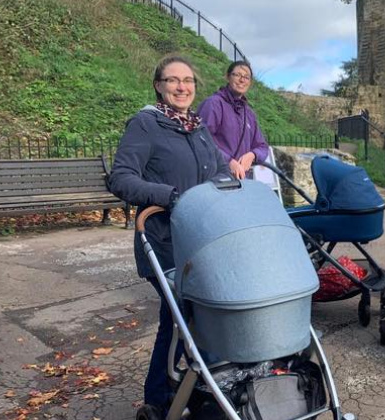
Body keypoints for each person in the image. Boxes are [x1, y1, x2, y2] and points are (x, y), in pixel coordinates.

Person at [107, 55, 230, 414]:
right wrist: (171, 197)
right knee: (197, 316)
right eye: (173, 80)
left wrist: (229, 190)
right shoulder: (146, 124)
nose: (181, 87)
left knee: (174, 322)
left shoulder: (198, 127)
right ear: (158, 86)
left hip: (201, 241)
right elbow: (121, 179)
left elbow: (222, 170)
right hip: (164, 243)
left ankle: (160, 398)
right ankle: (211, 394)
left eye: (188, 80)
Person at [198, 60, 270, 180]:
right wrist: (228, 161)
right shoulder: (213, 104)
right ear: (227, 76)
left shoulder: (249, 113)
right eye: (237, 75)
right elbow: (201, 141)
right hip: (216, 180)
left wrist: (253, 154)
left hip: (242, 182)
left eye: (246, 77)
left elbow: (262, 146)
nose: (242, 80)